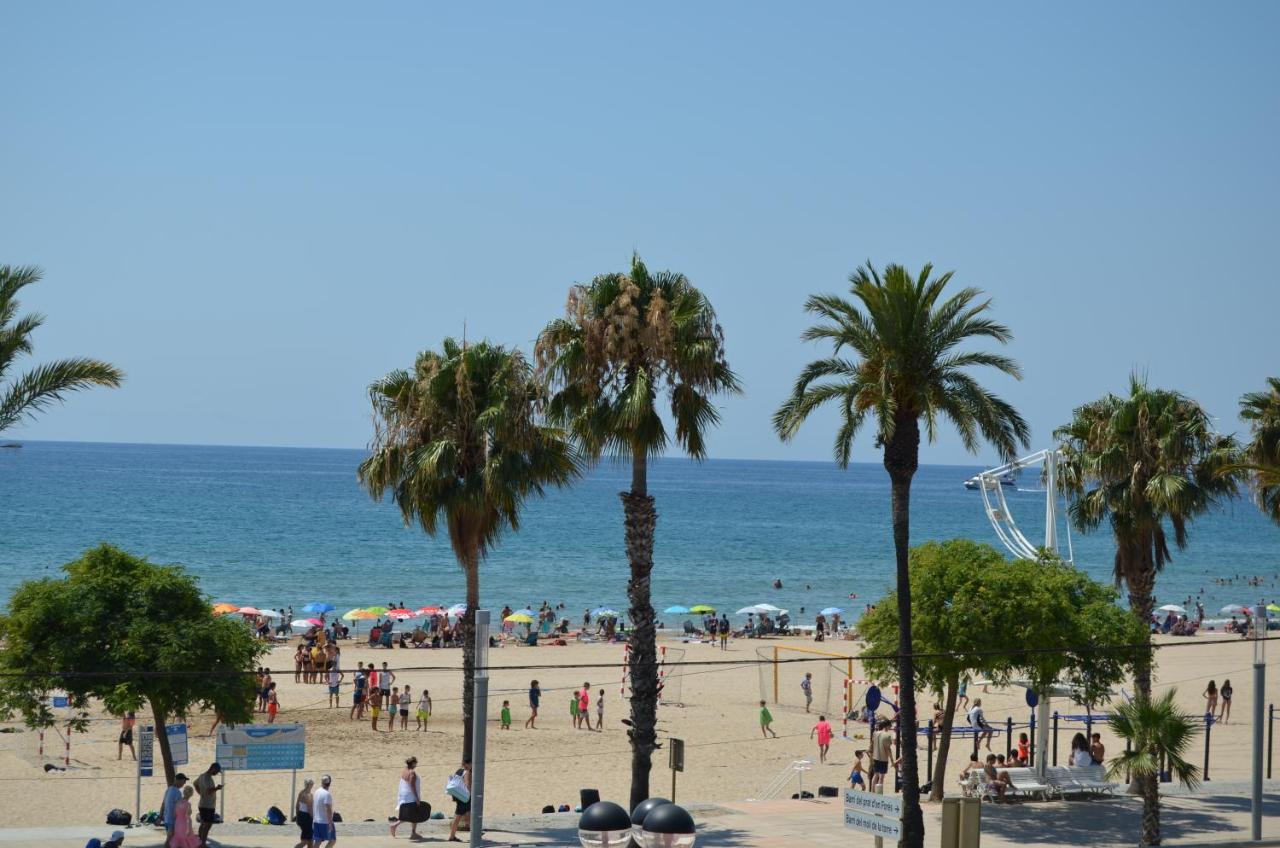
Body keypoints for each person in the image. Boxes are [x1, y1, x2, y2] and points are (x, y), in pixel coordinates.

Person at [390, 757, 422, 839]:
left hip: (405, 796)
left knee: (412, 815)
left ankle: (413, 833)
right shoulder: (412, 773)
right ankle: (395, 825)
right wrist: (417, 798)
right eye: (416, 763)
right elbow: (412, 786)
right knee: (413, 815)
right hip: (411, 797)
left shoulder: (405, 770)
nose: (416, 765)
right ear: (413, 763)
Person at [193, 763, 222, 847]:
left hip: (205, 804)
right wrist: (217, 788)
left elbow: (195, 783)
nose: (216, 773)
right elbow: (208, 791)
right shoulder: (206, 777)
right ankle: (202, 844)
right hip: (207, 805)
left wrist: (200, 792)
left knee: (203, 824)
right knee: (207, 825)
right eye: (216, 771)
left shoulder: (202, 776)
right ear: (213, 768)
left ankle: (200, 843)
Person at [447, 759, 472, 843]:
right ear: (468, 764)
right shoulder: (467, 772)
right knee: (458, 816)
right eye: (471, 764)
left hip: (458, 796)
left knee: (468, 814)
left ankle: (474, 832)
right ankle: (452, 836)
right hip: (464, 798)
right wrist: (470, 795)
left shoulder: (458, 771)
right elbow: (468, 786)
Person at [162, 773, 188, 848]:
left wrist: (161, 816)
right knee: (170, 840)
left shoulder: (169, 789)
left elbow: (163, 803)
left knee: (170, 839)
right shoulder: (177, 792)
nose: (184, 783)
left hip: (167, 819)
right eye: (183, 781)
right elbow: (179, 808)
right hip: (172, 820)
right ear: (178, 780)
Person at [311, 775, 336, 848]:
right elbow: (328, 809)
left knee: (318, 841)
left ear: (322, 782)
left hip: (316, 821)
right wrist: (330, 823)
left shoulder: (317, 791)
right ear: (329, 783)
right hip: (324, 822)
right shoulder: (327, 794)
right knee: (332, 840)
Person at [870, 719, 894, 790]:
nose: (890, 728)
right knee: (881, 777)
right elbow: (888, 749)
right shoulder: (887, 735)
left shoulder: (875, 733)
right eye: (890, 726)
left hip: (875, 757)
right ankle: (879, 794)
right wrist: (892, 760)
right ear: (887, 726)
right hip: (883, 759)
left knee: (875, 775)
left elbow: (873, 744)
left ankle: (872, 792)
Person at [294, 777, 314, 848]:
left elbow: (297, 806)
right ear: (309, 785)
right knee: (306, 840)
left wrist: (297, 817)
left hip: (301, 816)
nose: (313, 785)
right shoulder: (308, 795)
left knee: (310, 839)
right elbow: (309, 809)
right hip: (307, 818)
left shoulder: (301, 792)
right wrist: (313, 818)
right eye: (312, 784)